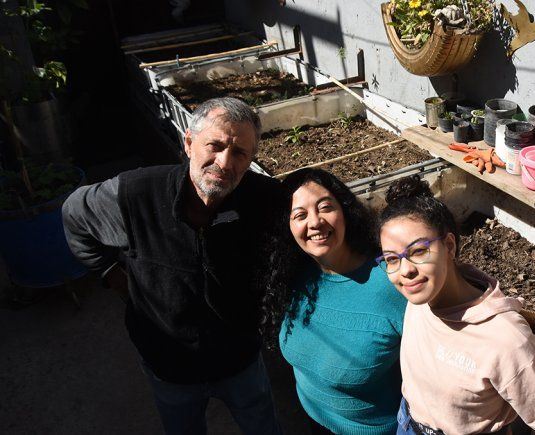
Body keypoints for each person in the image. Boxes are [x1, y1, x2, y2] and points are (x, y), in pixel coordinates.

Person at [62, 97, 283, 435]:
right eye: (215, 145)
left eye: (240, 153)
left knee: (261, 424)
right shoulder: (135, 195)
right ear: (189, 143)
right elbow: (74, 213)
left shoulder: (263, 197)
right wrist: (109, 273)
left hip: (241, 360)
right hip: (168, 364)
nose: (224, 162)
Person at [377, 176, 535, 435]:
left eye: (419, 251)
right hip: (408, 422)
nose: (406, 271)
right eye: (391, 259)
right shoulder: (419, 297)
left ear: (449, 246)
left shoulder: (506, 339)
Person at [278, 168, 406, 434]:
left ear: (345, 210)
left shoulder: (392, 283)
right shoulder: (292, 275)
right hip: (313, 419)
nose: (314, 222)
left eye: (325, 208)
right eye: (300, 215)